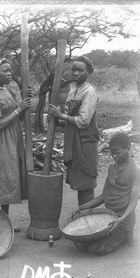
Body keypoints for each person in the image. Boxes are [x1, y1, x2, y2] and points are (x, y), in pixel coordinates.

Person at [0, 58, 32, 231]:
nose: (9, 73)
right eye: (5, 71)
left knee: (9, 179)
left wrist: (25, 101)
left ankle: (5, 222)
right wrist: (19, 109)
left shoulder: (7, 92)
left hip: (11, 139)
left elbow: (15, 112)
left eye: (10, 70)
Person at [73, 132, 140, 255]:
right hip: (108, 217)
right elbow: (103, 196)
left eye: (118, 152)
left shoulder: (136, 170)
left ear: (128, 149)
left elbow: (133, 201)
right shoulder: (111, 167)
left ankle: (126, 233)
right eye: (112, 152)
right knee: (80, 243)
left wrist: (121, 219)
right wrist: (83, 207)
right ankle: (116, 237)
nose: (114, 156)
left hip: (123, 219)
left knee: (95, 249)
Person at [48, 56, 99, 206]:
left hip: (85, 143)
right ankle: (82, 215)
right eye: (74, 70)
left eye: (80, 70)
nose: (75, 73)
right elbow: (69, 120)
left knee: (87, 184)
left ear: (88, 72)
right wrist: (56, 119)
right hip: (73, 143)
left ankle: (88, 217)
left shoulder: (89, 92)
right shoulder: (73, 91)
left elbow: (83, 121)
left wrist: (61, 115)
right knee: (79, 185)